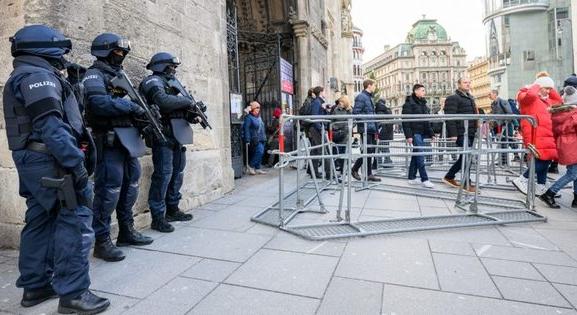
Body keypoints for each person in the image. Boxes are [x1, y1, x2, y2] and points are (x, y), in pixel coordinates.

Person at [3, 25, 109, 314]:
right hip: (53, 160)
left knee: (39, 218)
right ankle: (74, 295)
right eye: (59, 49)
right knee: (75, 219)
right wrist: (77, 167)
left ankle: (35, 287)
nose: (63, 54)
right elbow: (52, 127)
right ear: (43, 48)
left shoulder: (26, 73)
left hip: (34, 160)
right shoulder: (38, 76)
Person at [83, 33, 153, 262]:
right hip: (108, 140)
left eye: (123, 53)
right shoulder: (94, 74)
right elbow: (98, 104)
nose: (121, 56)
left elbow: (134, 102)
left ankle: (126, 231)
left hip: (128, 140)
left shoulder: (120, 75)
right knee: (108, 190)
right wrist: (130, 107)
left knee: (131, 184)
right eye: (118, 52)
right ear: (105, 50)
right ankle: (102, 242)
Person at [140, 52, 197, 233]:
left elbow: (180, 109)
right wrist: (186, 101)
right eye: (171, 66)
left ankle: (173, 208)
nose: (174, 70)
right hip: (162, 134)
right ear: (161, 66)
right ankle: (158, 217)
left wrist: (193, 112)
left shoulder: (172, 84)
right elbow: (163, 102)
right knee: (163, 175)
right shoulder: (153, 81)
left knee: (177, 172)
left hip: (177, 134)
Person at [512, 72, 560, 196]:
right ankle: (522, 179)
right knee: (542, 160)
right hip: (534, 133)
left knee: (547, 159)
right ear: (538, 86)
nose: (548, 92)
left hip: (546, 134)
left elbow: (558, 102)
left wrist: (550, 86)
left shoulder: (546, 100)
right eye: (546, 88)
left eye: (550, 89)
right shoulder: (526, 96)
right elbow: (530, 95)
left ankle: (541, 186)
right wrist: (536, 85)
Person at [539, 85, 577, 208]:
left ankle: (576, 198)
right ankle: (550, 193)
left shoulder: (559, 112)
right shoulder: (573, 113)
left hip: (565, 143)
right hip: (573, 144)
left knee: (575, 171)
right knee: (573, 173)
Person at [442, 78, 477, 192]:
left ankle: (449, 176)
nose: (468, 84)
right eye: (465, 83)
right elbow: (450, 117)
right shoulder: (453, 98)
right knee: (467, 157)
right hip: (461, 132)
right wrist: (453, 134)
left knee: (466, 157)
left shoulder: (470, 97)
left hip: (470, 132)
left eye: (469, 82)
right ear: (459, 85)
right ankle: (466, 183)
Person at [402, 84, 435, 188]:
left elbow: (426, 120)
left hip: (422, 132)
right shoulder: (409, 103)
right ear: (416, 91)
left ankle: (411, 177)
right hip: (415, 133)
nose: (424, 92)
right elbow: (405, 121)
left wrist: (431, 133)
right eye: (422, 90)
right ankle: (424, 179)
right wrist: (408, 136)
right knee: (420, 155)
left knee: (416, 155)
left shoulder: (423, 103)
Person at [351, 79, 381, 182]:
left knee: (370, 151)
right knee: (367, 150)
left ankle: (369, 174)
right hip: (365, 128)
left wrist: (376, 129)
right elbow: (356, 113)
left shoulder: (369, 97)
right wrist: (366, 121)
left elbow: (372, 114)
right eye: (374, 85)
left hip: (371, 128)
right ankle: (354, 169)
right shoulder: (361, 97)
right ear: (369, 85)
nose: (375, 87)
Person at [307, 86, 327, 178]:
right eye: (324, 91)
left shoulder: (319, 102)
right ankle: (314, 172)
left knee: (316, 151)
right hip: (316, 129)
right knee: (318, 150)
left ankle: (312, 171)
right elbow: (314, 117)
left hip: (316, 128)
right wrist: (320, 128)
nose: (325, 93)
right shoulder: (317, 102)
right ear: (321, 92)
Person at [243, 101, 267, 175]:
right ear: (252, 108)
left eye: (259, 107)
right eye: (257, 107)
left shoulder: (259, 117)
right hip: (255, 139)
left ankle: (258, 168)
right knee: (260, 151)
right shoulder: (248, 118)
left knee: (260, 153)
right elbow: (246, 129)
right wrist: (247, 139)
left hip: (262, 138)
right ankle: (251, 166)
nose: (259, 109)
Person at [332, 96, 353, 175]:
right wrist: (335, 127)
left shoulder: (349, 110)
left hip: (345, 134)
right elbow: (331, 121)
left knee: (344, 152)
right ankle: (335, 169)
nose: (340, 103)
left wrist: (346, 129)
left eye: (341, 102)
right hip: (336, 134)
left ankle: (343, 169)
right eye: (339, 102)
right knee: (336, 152)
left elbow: (353, 122)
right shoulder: (335, 110)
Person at [374, 98, 394, 168]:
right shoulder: (388, 110)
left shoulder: (377, 111)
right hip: (388, 132)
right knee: (385, 147)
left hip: (380, 132)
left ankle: (379, 162)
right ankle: (387, 162)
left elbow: (378, 123)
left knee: (378, 148)